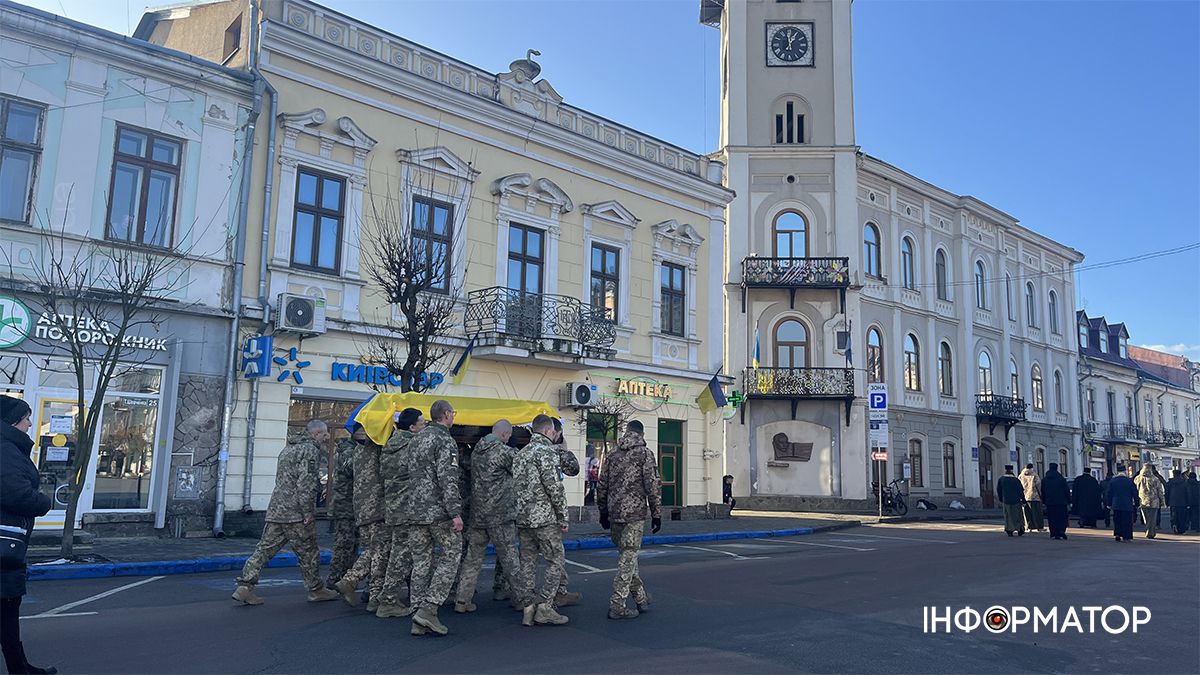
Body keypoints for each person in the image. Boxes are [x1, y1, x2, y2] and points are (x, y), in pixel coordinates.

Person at [233, 420, 339, 605]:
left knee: (264, 550)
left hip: (277, 509)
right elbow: (305, 484)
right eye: (324, 434)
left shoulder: (288, 449)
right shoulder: (309, 451)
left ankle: (245, 586)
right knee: (309, 552)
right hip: (296, 513)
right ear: (316, 434)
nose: (326, 437)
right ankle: (315, 589)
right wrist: (308, 512)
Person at [1, 396, 56, 675]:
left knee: (7, 613)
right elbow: (15, 493)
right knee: (7, 610)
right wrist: (43, 502)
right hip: (3, 549)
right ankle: (19, 669)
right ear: (12, 422)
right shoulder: (6, 449)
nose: (30, 424)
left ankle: (20, 667)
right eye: (26, 418)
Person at [406, 400, 464, 637]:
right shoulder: (445, 441)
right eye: (453, 413)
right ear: (447, 415)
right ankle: (429, 609)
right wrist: (455, 513)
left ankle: (417, 616)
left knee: (421, 562)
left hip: (415, 510)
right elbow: (447, 478)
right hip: (438, 512)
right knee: (451, 555)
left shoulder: (416, 439)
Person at [454, 420, 522, 614]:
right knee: (510, 559)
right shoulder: (504, 452)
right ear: (504, 434)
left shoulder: (476, 451)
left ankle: (462, 600)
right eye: (508, 436)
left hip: (478, 515)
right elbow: (522, 468)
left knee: (472, 560)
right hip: (500, 516)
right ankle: (522, 599)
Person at [597, 419, 662, 620]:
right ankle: (617, 604)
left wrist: (603, 512)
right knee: (629, 557)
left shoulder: (612, 455)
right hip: (635, 514)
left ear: (626, 433)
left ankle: (641, 598)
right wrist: (657, 513)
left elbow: (602, 485)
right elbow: (653, 486)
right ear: (641, 434)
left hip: (615, 514)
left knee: (628, 557)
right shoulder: (645, 454)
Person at [513, 414, 570, 627]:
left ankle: (528, 608)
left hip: (523, 518)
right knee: (555, 560)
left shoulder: (521, 454)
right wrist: (563, 516)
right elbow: (554, 487)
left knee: (527, 562)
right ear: (548, 431)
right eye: (554, 432)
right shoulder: (546, 453)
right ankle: (545, 606)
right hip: (545, 518)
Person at [375, 408, 425, 618]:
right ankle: (388, 600)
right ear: (412, 427)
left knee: (398, 551)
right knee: (401, 556)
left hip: (394, 507)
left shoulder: (390, 444)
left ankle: (385, 596)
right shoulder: (413, 445)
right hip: (408, 508)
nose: (425, 426)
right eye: (422, 423)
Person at [333, 425, 388, 612]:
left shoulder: (358, 452)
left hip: (361, 510)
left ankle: (373, 595)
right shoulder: (380, 452)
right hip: (377, 510)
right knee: (378, 552)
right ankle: (352, 580)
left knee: (375, 551)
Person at [325, 424, 362, 588]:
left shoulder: (354, 448)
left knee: (353, 545)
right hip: (345, 505)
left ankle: (345, 578)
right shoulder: (348, 449)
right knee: (343, 544)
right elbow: (350, 468)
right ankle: (334, 579)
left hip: (355, 505)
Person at [550, 417, 581, 607]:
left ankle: (524, 599)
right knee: (555, 557)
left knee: (526, 558)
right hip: (547, 515)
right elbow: (573, 469)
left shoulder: (525, 451)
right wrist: (564, 450)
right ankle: (557, 594)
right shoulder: (554, 453)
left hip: (523, 514)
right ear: (555, 433)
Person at [1105, 464, 1137, 542]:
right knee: (1127, 521)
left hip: (1116, 504)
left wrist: (1109, 504)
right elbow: (1135, 493)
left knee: (1117, 520)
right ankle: (1126, 536)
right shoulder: (1129, 481)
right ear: (1125, 471)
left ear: (1117, 472)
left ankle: (1118, 534)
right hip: (1127, 504)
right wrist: (1137, 503)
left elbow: (1109, 493)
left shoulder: (1113, 481)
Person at [1134, 464, 1165, 539]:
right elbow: (1160, 491)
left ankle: (1148, 531)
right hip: (1154, 501)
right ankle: (1151, 532)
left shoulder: (1138, 478)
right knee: (1152, 518)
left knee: (1146, 518)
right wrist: (1162, 501)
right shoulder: (1155, 479)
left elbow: (1135, 489)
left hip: (1143, 501)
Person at [1041, 463, 1070, 540]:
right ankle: (1061, 530)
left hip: (1050, 502)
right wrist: (1069, 501)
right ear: (1057, 468)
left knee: (1052, 518)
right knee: (1062, 517)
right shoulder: (1061, 479)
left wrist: (1044, 501)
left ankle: (1053, 533)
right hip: (1061, 502)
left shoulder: (1045, 480)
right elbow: (1066, 491)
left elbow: (1043, 491)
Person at [996, 465, 1025, 537]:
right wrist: (1023, 500)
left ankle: (1009, 530)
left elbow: (999, 490)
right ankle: (1020, 529)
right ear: (1012, 471)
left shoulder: (1001, 479)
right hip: (1016, 500)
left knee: (1008, 516)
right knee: (1018, 515)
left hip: (1006, 500)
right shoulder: (1016, 480)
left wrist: (1001, 498)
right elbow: (1021, 490)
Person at [1019, 463, 1044, 532]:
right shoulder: (1034, 475)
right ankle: (1039, 527)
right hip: (1035, 496)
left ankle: (1029, 527)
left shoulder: (1021, 475)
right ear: (1032, 467)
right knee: (1037, 513)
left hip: (1025, 496)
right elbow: (1038, 485)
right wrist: (1041, 495)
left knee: (1027, 513)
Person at [1166, 469, 1189, 535]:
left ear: (1173, 474)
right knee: (1182, 517)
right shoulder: (1184, 482)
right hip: (1183, 502)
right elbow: (1187, 493)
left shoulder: (1170, 483)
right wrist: (1188, 502)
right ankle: (1181, 529)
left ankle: (1174, 525)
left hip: (1172, 502)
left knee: (1174, 516)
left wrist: (1167, 502)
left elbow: (1167, 493)